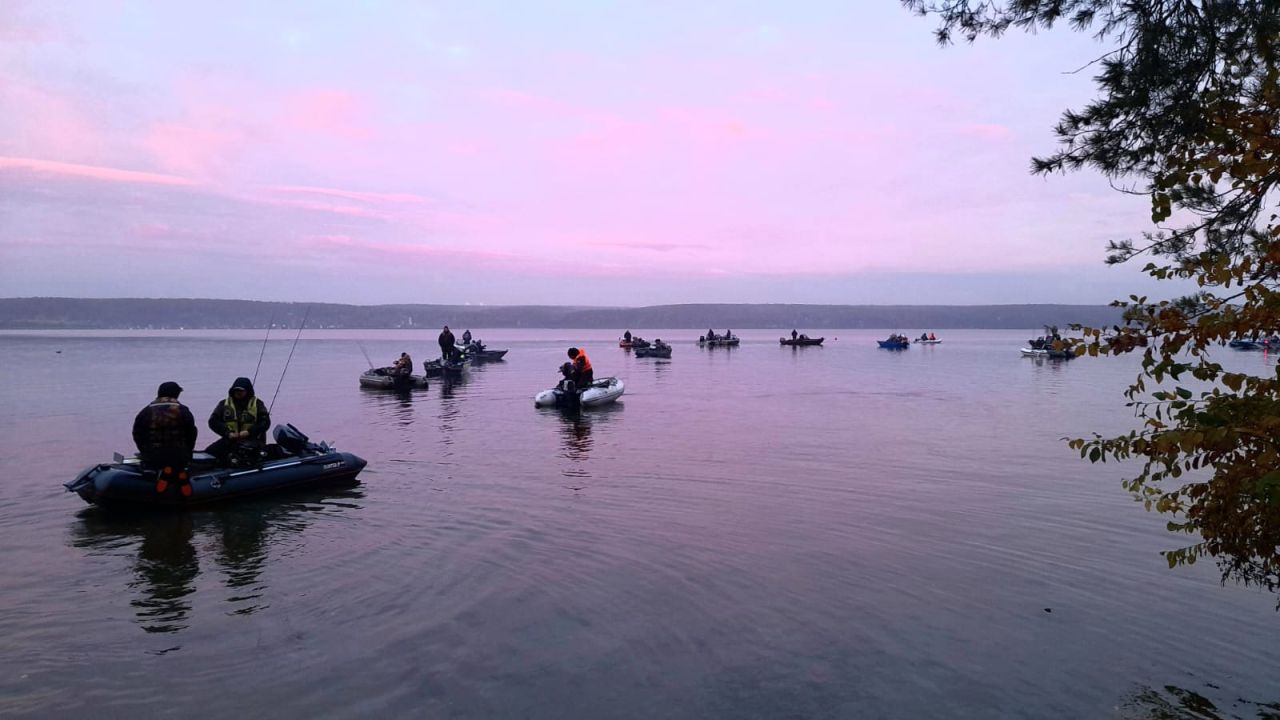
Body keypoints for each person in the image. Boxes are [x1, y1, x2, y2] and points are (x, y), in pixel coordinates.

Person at [133, 381, 198, 495]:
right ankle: (180, 472)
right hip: (179, 455)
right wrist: (188, 452)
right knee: (180, 460)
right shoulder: (183, 410)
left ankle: (166, 472)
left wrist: (144, 451)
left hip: (154, 456)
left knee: (156, 460)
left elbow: (137, 433)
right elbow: (192, 433)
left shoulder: (146, 411)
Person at [206, 377, 271, 465]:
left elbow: (265, 422)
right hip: (230, 440)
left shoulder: (258, 404)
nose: (238, 393)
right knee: (209, 452)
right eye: (236, 390)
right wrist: (227, 433)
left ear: (247, 391)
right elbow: (213, 421)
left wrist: (249, 432)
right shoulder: (224, 404)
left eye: (241, 391)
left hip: (253, 441)